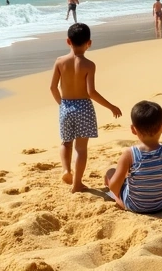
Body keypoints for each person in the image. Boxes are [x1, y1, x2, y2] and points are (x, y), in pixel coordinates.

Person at [50, 23, 121, 192]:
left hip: (66, 107)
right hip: (84, 108)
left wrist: (62, 104)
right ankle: (77, 184)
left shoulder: (60, 62)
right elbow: (91, 92)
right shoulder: (89, 65)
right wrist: (111, 106)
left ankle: (66, 170)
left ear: (68, 41)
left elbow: (52, 88)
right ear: (89, 43)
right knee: (81, 149)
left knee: (66, 143)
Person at [104, 101, 162, 213]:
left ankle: (120, 201)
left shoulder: (129, 154)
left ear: (133, 129)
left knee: (110, 173)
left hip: (134, 206)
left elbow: (114, 187)